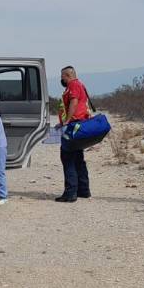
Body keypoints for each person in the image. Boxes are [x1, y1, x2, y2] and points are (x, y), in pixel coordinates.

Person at [57, 66, 92, 202]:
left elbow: (74, 102)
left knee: (68, 157)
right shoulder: (80, 84)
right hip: (79, 125)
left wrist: (66, 121)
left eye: (62, 77)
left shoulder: (73, 85)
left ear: (68, 75)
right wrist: (62, 122)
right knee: (78, 159)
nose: (61, 79)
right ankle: (83, 190)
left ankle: (70, 193)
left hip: (74, 126)